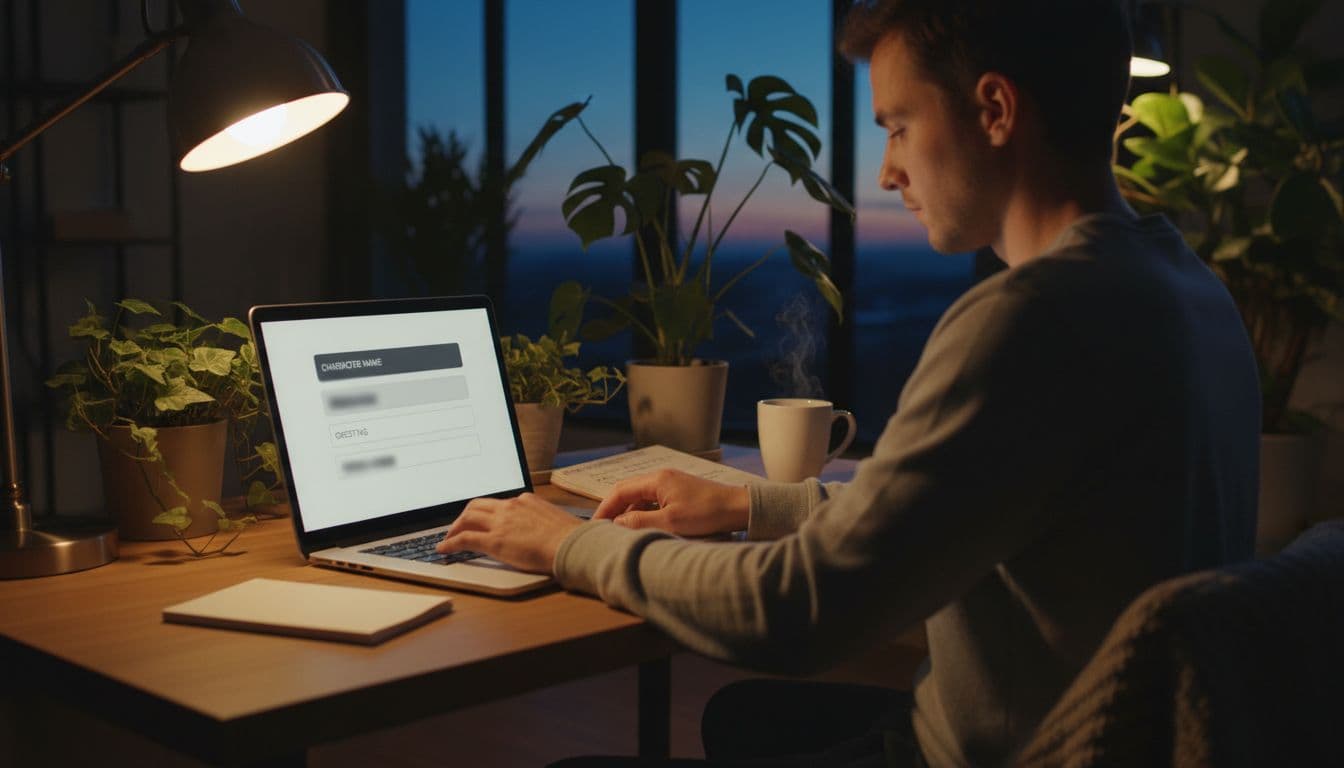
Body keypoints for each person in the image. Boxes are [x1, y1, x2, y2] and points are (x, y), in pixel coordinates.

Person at [437, 0, 1261, 764]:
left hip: (1002, 753)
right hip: (1114, 739)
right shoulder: (1190, 291)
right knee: (743, 717)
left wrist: (569, 544)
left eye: (898, 127)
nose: (888, 172)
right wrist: (749, 503)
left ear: (995, 110)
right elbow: (945, 509)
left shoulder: (1031, 319)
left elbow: (801, 612)